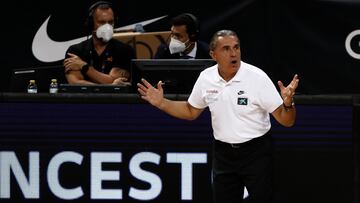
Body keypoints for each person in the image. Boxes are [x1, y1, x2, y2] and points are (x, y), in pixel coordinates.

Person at [137, 30, 299, 203]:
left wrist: (288, 103)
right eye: (226, 49)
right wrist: (162, 103)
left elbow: (287, 120)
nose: (233, 53)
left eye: (236, 47)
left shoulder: (257, 78)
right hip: (223, 154)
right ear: (213, 55)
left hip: (257, 153)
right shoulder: (206, 78)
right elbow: (191, 111)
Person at [63, 1, 135, 85]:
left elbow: (117, 82)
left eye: (111, 22)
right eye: (102, 22)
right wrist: (109, 87)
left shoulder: (125, 50)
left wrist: (84, 67)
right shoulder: (75, 51)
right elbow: (75, 83)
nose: (108, 27)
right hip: (84, 98)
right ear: (91, 23)